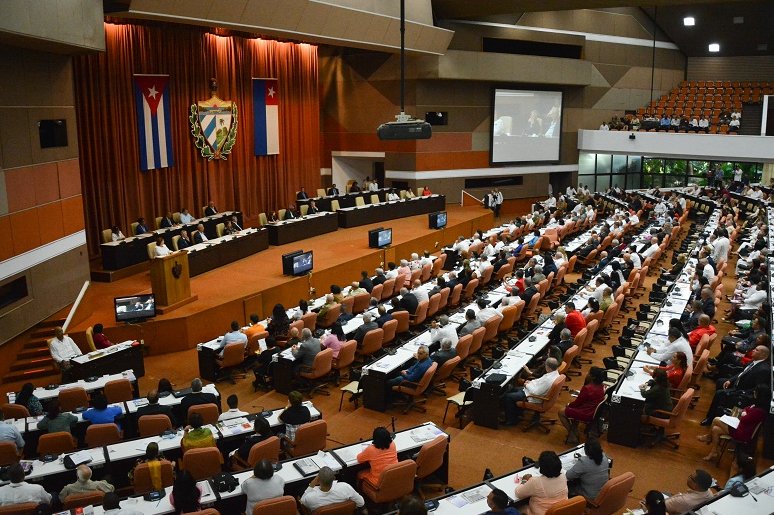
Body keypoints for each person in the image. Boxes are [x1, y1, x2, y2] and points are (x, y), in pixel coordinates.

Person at [697, 384, 769, 462]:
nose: (754, 392)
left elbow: (744, 419)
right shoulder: (756, 405)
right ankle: (713, 451)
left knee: (716, 419)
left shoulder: (760, 411)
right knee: (715, 429)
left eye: (756, 392)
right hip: (740, 427)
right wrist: (745, 413)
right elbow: (745, 409)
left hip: (742, 433)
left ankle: (708, 437)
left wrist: (744, 414)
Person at [701, 345, 771, 425]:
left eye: (756, 350)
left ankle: (710, 419)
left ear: (763, 355)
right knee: (721, 382)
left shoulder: (763, 370)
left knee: (719, 393)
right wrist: (730, 380)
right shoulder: (754, 361)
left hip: (742, 392)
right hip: (737, 384)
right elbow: (741, 373)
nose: (753, 350)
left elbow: (756, 389)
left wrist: (739, 392)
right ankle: (715, 412)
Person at [503, 358, 560, 425]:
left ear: (548, 367)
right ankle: (518, 413)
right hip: (533, 390)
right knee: (513, 389)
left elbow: (536, 392)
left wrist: (527, 385)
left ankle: (512, 420)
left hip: (533, 396)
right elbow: (539, 382)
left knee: (508, 397)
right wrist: (530, 382)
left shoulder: (548, 379)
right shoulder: (555, 373)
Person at [558, 367, 606, 444]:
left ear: (593, 377)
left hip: (586, 413)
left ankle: (572, 436)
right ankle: (574, 429)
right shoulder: (602, 386)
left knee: (561, 412)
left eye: (589, 373)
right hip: (593, 411)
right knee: (570, 409)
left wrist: (569, 405)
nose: (587, 374)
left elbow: (577, 403)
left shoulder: (587, 388)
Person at [514, 450, 568, 515]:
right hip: (562, 511)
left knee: (516, 508)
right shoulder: (563, 475)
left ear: (541, 467)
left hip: (541, 513)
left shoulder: (536, 482)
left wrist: (524, 480)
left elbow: (518, 493)